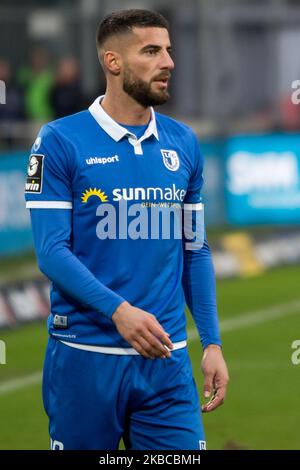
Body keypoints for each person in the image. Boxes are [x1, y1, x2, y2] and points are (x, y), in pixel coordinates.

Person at [25, 9, 229, 450]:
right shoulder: (59, 141)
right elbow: (52, 251)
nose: (168, 62)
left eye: (169, 51)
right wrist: (119, 312)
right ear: (113, 62)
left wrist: (211, 342)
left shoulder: (183, 143)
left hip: (167, 363)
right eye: (151, 51)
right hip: (86, 358)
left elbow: (194, 249)